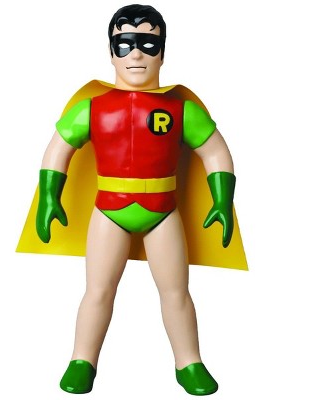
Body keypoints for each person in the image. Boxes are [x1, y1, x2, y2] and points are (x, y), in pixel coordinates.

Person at [36, 4, 236, 396]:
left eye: (148, 43)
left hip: (162, 211)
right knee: (98, 290)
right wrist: (48, 196)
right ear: (111, 52)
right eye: (125, 43)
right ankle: (82, 360)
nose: (137, 53)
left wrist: (222, 199)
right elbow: (58, 148)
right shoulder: (92, 108)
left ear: (163, 52)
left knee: (176, 292)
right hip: (109, 210)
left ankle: (189, 362)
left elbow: (215, 151)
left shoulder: (181, 110)